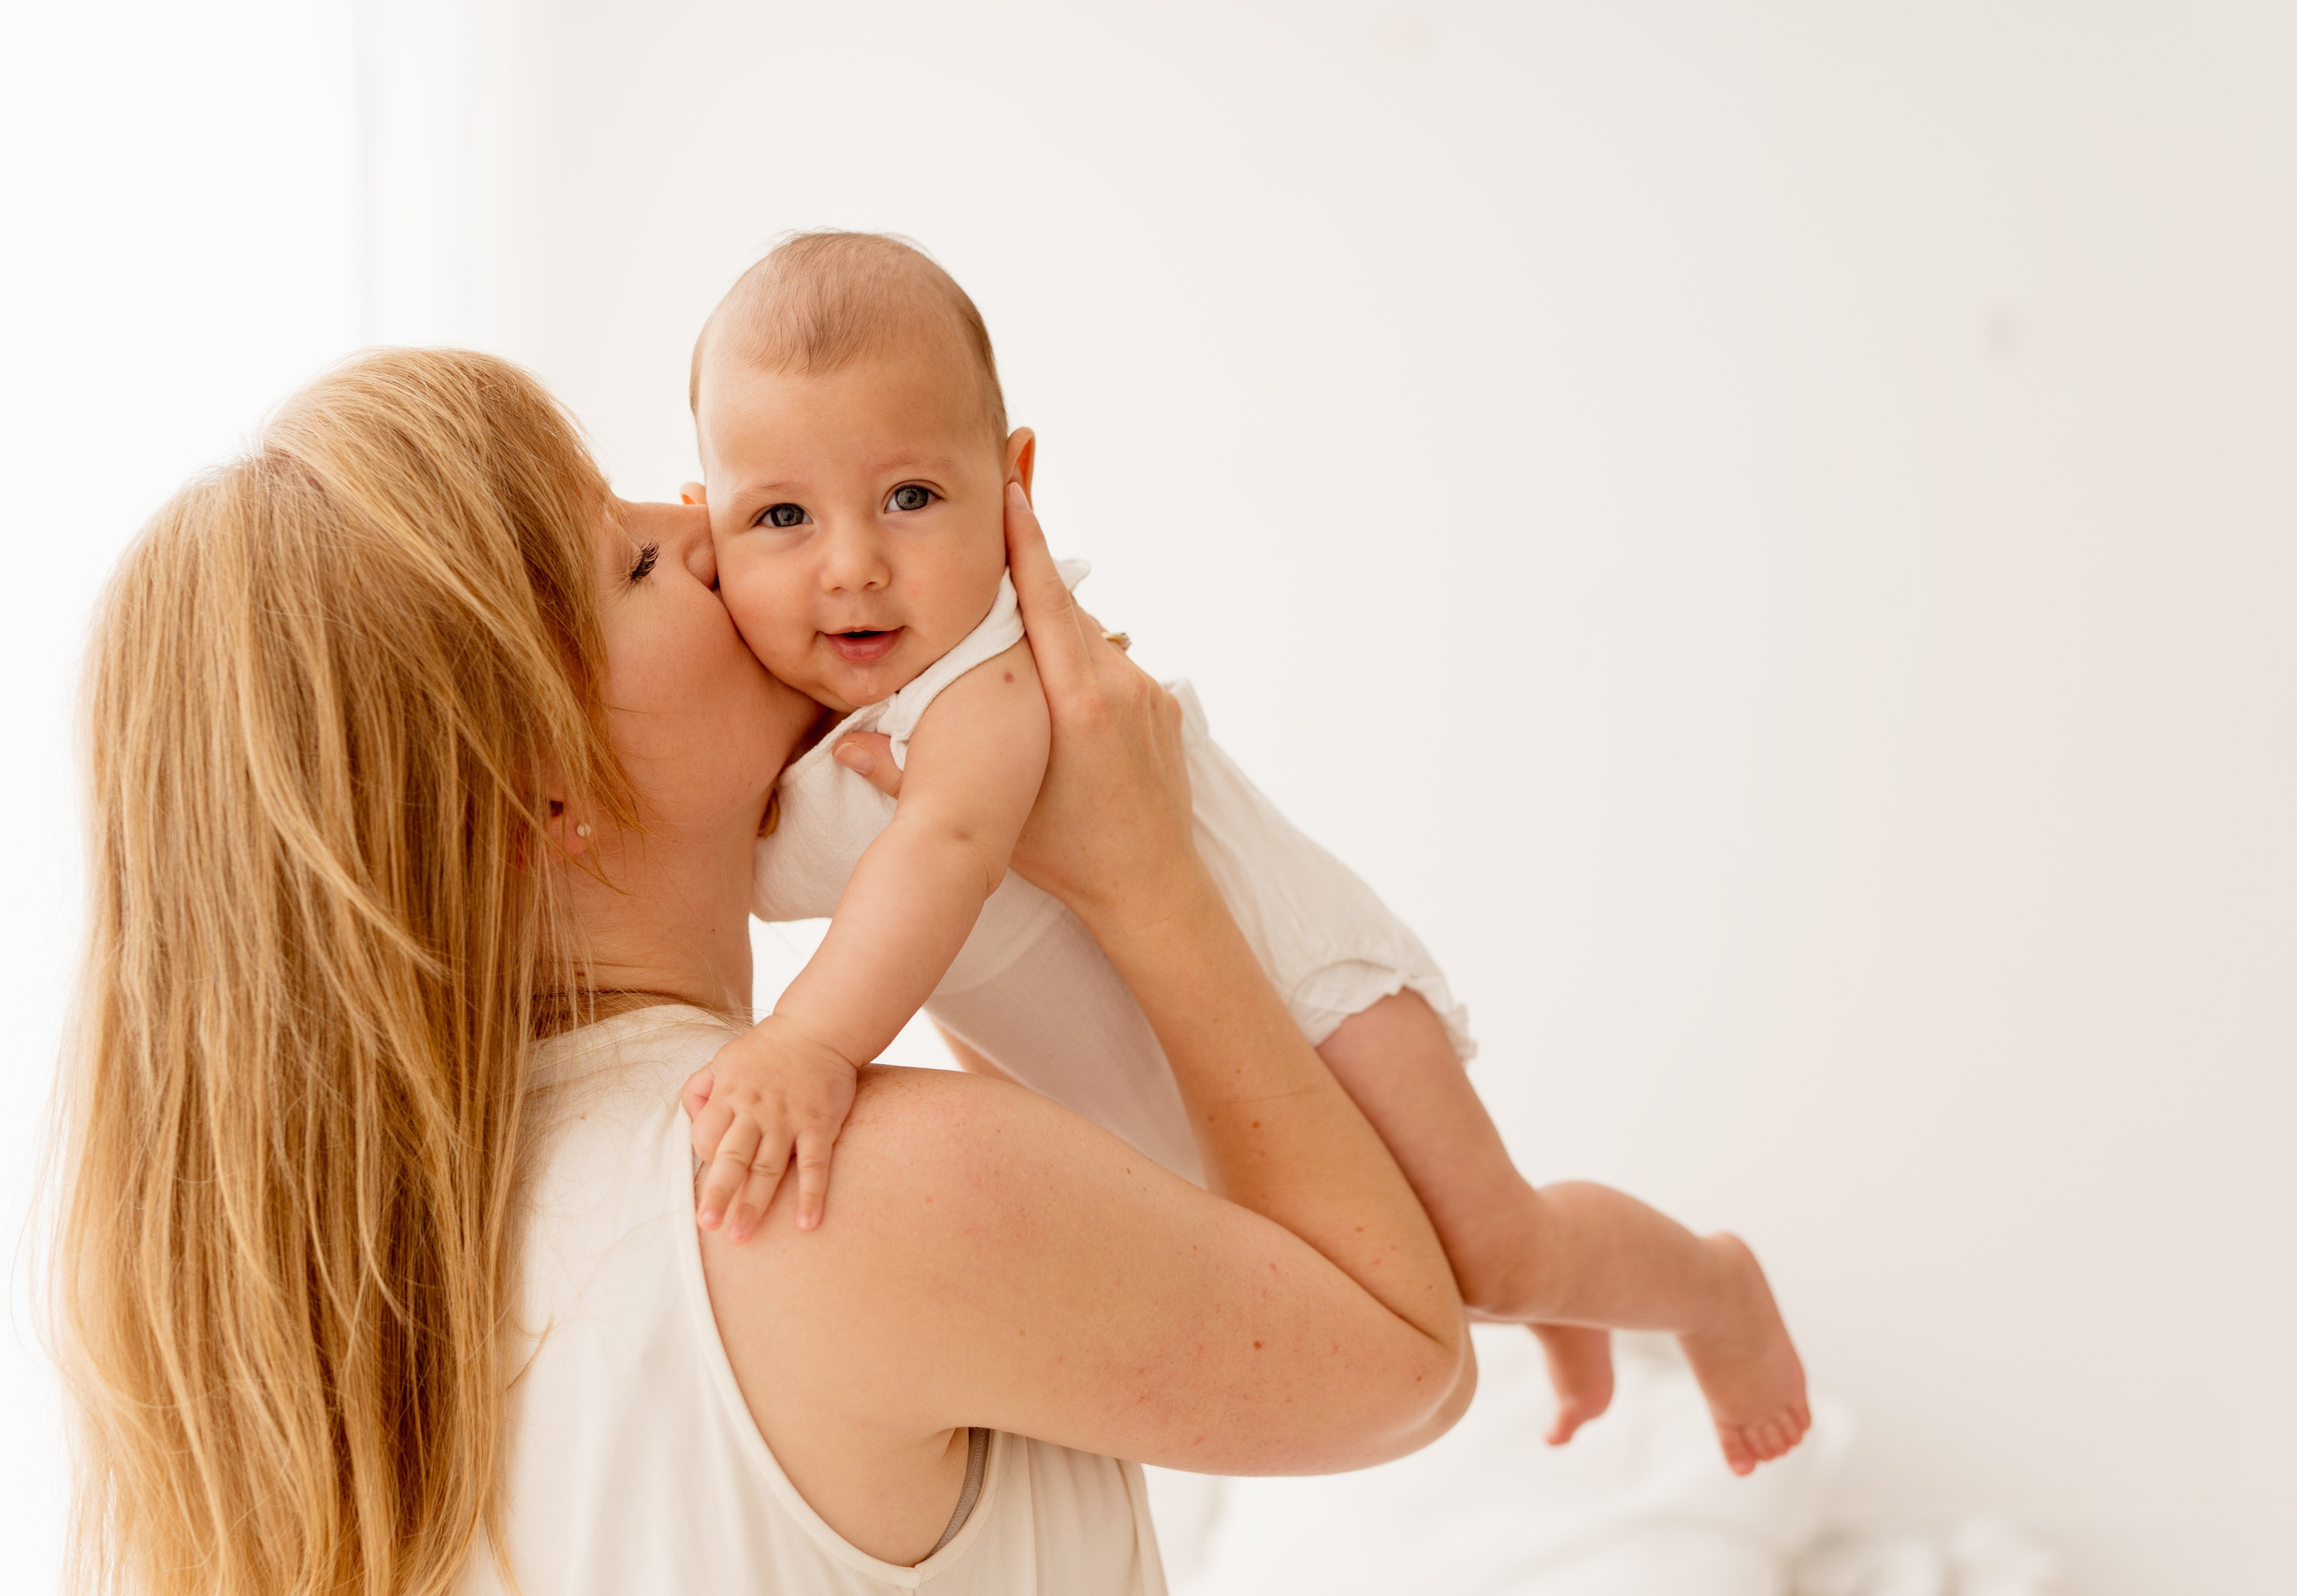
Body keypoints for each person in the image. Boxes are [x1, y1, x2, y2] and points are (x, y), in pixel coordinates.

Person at [50, 348, 1472, 1596]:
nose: (713, 528)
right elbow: (1408, 1357)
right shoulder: (843, 1189)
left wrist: (978, 850)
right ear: (535, 802)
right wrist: (1146, 875)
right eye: (635, 561)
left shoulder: (360, 1296)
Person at [682, 230, 1810, 1468]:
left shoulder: (985, 672)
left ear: (1014, 485)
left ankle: (1712, 1290)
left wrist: (810, 1042)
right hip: (1158, 1070)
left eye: (911, 497)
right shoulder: (784, 716)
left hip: (1295, 987)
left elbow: (944, 849)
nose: (852, 566)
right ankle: (1566, 1304)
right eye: (782, 515)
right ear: (706, 531)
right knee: (1390, 1252)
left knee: (1493, 1250)